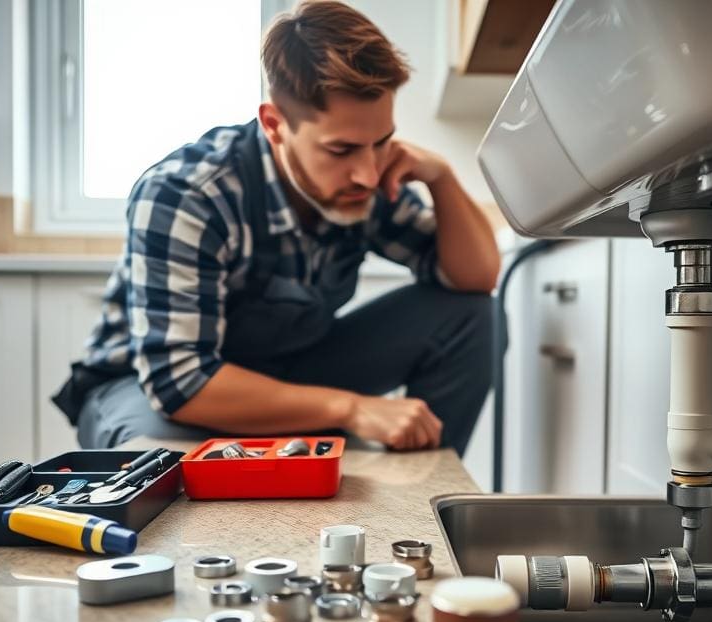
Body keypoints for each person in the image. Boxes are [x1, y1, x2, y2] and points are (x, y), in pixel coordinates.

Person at [53, 0, 501, 456]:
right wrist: (349, 409)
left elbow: (476, 280)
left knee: (471, 316)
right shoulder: (189, 194)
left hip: (289, 371)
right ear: (274, 125)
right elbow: (179, 381)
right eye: (341, 150)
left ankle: (424, 492)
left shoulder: (367, 180)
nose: (367, 174)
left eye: (382, 142)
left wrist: (441, 178)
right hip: (145, 388)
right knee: (168, 466)